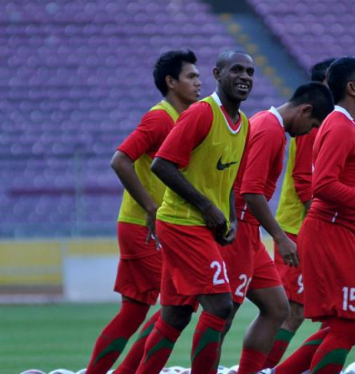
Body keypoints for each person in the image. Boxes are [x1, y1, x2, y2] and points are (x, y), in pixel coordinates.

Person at [273, 57, 355, 374]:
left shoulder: (349, 126)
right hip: (329, 234)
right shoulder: (339, 126)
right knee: (344, 328)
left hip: (342, 234)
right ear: (352, 88)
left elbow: (339, 184)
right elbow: (324, 186)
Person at [133, 50, 254, 374]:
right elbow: (161, 163)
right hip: (182, 223)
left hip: (200, 225)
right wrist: (205, 206)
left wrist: (228, 217)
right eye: (236, 70)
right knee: (220, 306)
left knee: (175, 315)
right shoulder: (201, 113)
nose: (244, 77)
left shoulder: (242, 124)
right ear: (217, 74)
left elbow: (227, 179)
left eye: (250, 72)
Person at [84, 50, 201, 374]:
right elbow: (120, 159)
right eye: (191, 76)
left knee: (134, 312)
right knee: (178, 306)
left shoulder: (183, 119)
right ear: (170, 82)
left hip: (145, 226)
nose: (198, 82)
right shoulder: (160, 118)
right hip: (143, 226)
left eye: (198, 76)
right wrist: (150, 206)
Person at [222, 82, 335, 374]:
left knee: (278, 308)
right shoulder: (270, 129)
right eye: (312, 125)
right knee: (221, 314)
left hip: (249, 231)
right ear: (305, 110)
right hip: (241, 230)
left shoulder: (267, 123)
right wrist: (280, 237)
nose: (309, 132)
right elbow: (251, 191)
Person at [264, 58, 336, 368]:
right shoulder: (311, 124)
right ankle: (265, 367)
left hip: (310, 229)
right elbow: (305, 181)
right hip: (299, 229)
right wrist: (325, 226)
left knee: (329, 311)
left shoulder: (327, 122)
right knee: (291, 311)